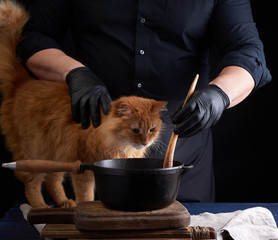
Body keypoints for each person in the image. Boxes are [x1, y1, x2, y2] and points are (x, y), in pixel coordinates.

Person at [17, 0, 271, 202]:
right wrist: (73, 72)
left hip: (181, 152)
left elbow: (249, 53)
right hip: (93, 147)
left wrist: (219, 94)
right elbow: (33, 38)